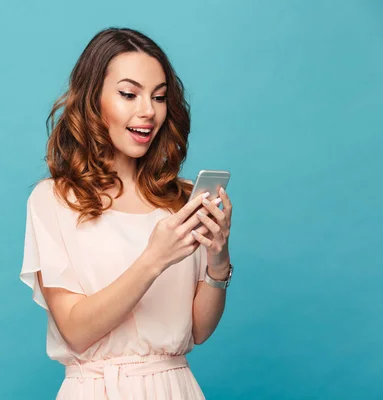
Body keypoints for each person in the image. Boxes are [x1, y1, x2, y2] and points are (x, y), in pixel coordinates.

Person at [20, 27, 234, 400]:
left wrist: (218, 258)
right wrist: (154, 258)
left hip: (176, 387)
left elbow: (199, 329)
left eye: (159, 96)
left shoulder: (180, 198)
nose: (148, 111)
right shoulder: (53, 200)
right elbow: (76, 329)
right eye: (128, 94)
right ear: (92, 100)